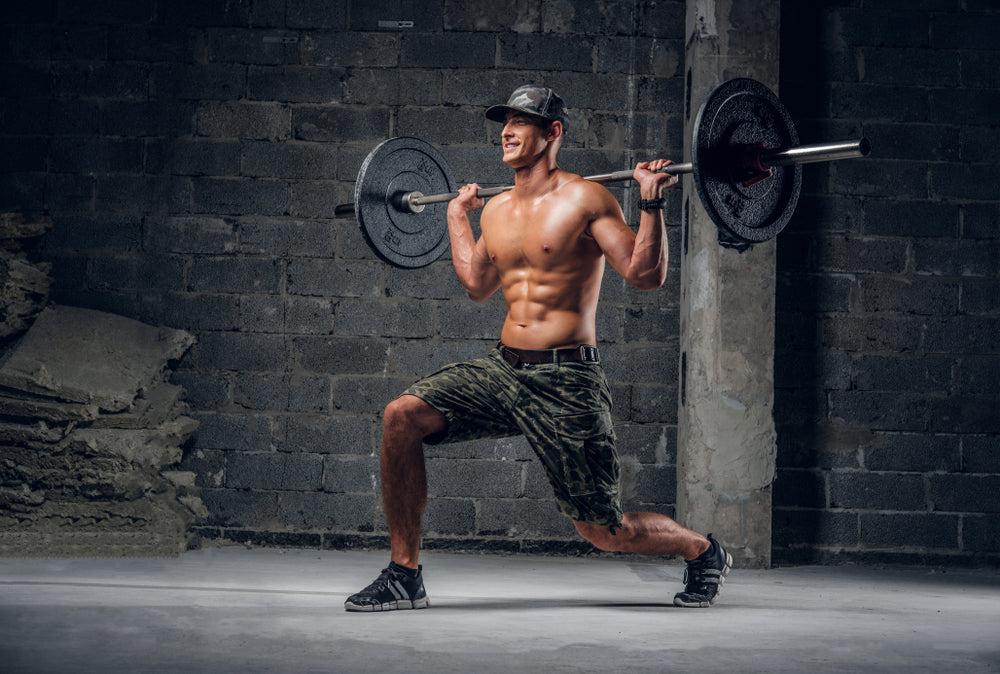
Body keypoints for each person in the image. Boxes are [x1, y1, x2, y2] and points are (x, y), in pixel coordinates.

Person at [345, 85, 732, 612]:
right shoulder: (497, 210)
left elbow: (645, 277)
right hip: (505, 369)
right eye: (504, 121)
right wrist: (457, 218)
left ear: (553, 132)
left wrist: (650, 199)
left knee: (604, 532)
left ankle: (702, 551)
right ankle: (403, 575)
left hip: (567, 380)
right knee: (402, 415)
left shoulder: (587, 198)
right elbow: (478, 284)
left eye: (520, 122)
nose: (506, 131)